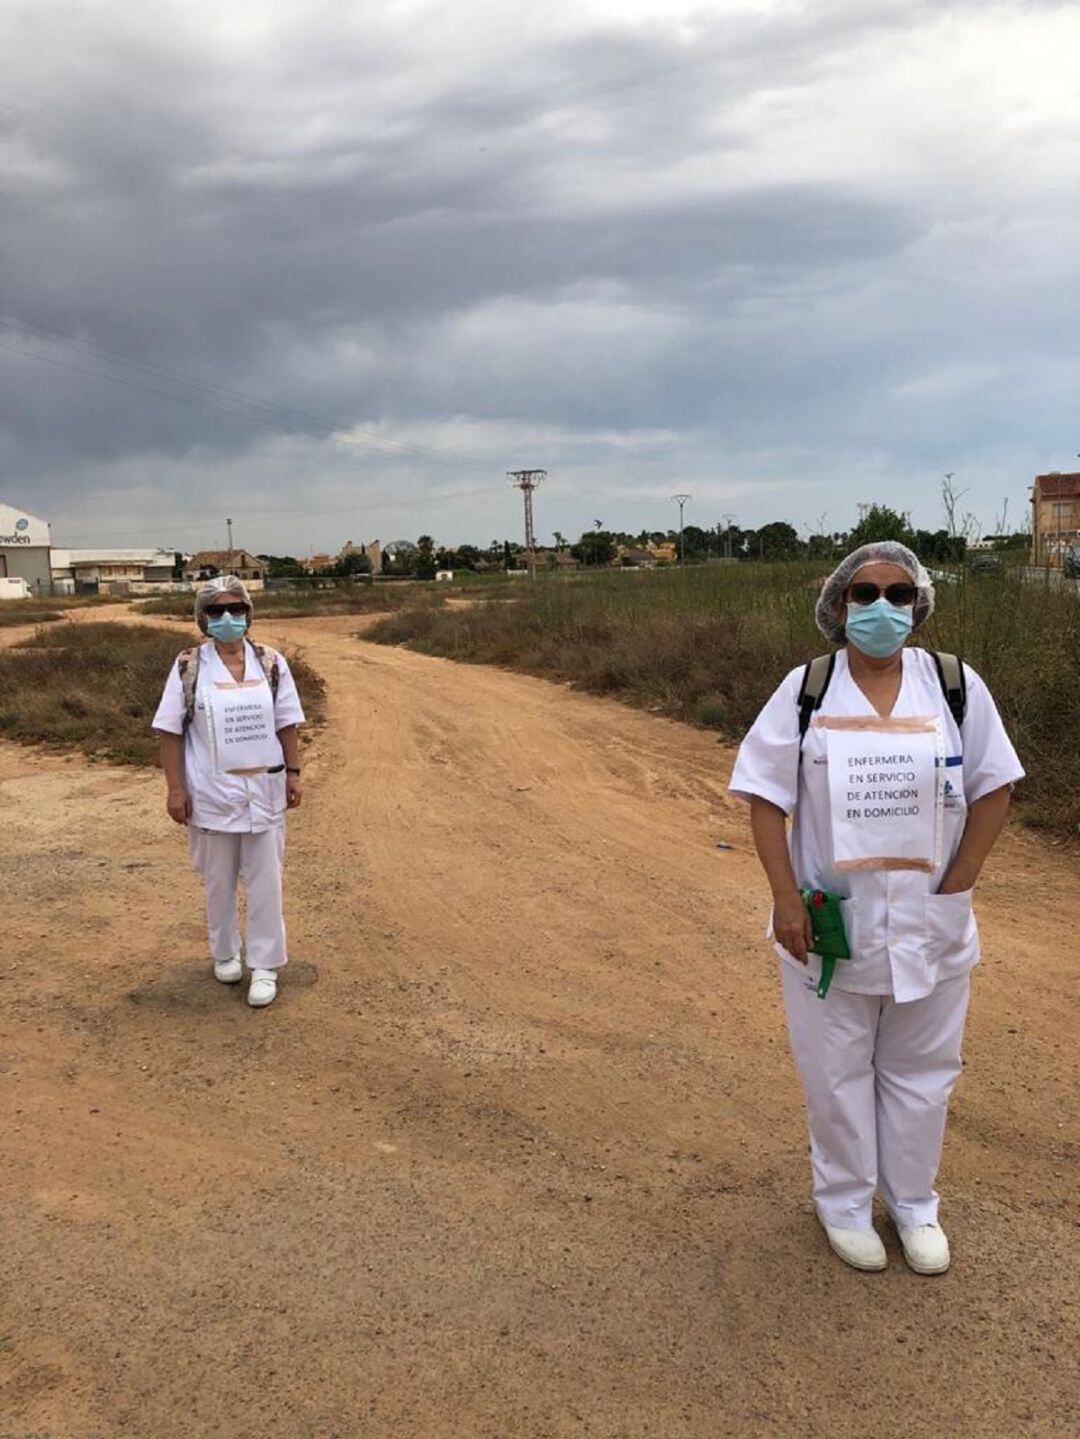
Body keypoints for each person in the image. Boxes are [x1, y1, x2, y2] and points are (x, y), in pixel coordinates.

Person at [729, 541, 1023, 1274]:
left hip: (933, 921)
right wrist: (783, 896)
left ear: (919, 604)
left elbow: (995, 786)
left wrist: (958, 884)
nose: (883, 608)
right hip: (829, 924)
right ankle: (845, 1203)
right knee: (836, 1074)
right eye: (866, 594)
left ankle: (916, 1205)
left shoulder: (953, 685)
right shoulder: (808, 690)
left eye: (898, 593)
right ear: (839, 606)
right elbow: (765, 798)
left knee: (924, 1071)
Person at [152, 576, 306, 1008]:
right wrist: (175, 789)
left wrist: (294, 772)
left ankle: (265, 965)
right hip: (211, 792)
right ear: (203, 619)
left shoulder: (271, 662)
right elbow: (169, 731)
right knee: (218, 880)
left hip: (265, 787)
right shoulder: (189, 666)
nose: (227, 619)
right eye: (216, 612)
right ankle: (225, 952)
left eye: (235, 611)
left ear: (248, 615)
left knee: (266, 881)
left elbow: (287, 721)